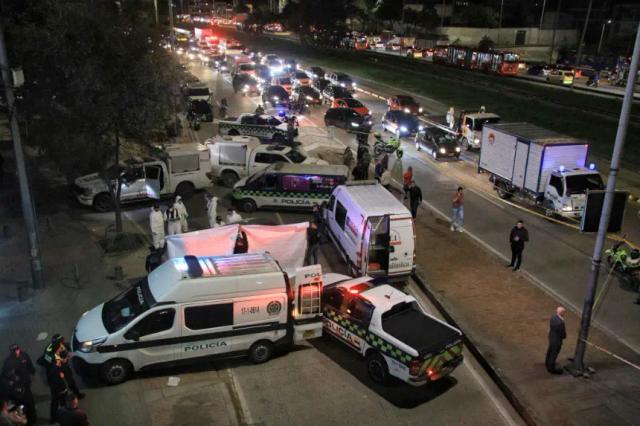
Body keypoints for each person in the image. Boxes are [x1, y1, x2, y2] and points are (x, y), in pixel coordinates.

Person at [1, 345, 35, 425]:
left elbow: (29, 363)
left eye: (17, 349)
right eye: (15, 350)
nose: (17, 351)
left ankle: (32, 419)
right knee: (26, 403)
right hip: (18, 386)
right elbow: (5, 375)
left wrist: (32, 370)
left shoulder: (24, 355)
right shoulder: (8, 362)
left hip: (26, 382)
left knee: (29, 400)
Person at [545, 306, 567, 375]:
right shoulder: (560, 323)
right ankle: (551, 369)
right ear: (562, 313)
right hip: (557, 341)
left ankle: (547, 363)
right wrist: (564, 336)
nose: (565, 313)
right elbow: (563, 334)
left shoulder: (553, 317)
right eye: (564, 312)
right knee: (554, 354)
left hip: (552, 338)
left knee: (550, 351)